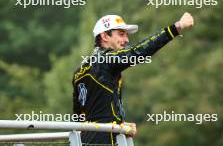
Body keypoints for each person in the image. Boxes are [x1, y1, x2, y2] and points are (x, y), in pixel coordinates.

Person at [72, 13, 194, 145]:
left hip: (86, 139)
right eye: (121, 34)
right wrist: (177, 27)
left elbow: (82, 115)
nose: (126, 40)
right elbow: (138, 51)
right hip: (105, 139)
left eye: (126, 35)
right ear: (105, 36)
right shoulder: (106, 60)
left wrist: (119, 125)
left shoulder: (79, 71)